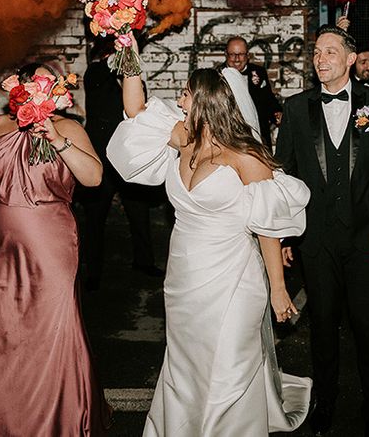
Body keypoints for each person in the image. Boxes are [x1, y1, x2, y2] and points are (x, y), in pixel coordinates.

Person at [107, 42, 312, 436]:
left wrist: (279, 289)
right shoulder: (183, 138)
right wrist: (127, 46)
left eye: (184, 93)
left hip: (234, 275)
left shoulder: (245, 157)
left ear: (201, 101)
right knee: (188, 362)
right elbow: (136, 111)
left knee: (232, 363)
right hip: (184, 274)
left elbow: (266, 224)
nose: (177, 99)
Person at [0, 62, 112, 436]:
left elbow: (93, 178)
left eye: (46, 81)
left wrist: (56, 139)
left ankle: (60, 419)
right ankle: (2, 422)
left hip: (51, 243)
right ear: (20, 88)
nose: (37, 86)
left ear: (56, 89)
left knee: (53, 330)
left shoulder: (69, 127)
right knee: (1, 332)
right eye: (31, 80)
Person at [276, 25, 369, 437]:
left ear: (350, 59)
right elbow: (283, 175)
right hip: (315, 240)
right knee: (323, 327)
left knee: (368, 326)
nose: (320, 59)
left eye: (330, 52)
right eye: (317, 52)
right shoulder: (297, 108)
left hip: (368, 237)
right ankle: (325, 404)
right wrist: (281, 234)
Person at [78, 39, 164, 291]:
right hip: (102, 159)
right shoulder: (95, 73)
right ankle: (92, 272)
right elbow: (108, 69)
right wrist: (124, 49)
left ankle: (144, 262)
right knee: (95, 218)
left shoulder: (133, 78)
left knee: (139, 212)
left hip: (127, 157)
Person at [224, 36, 282, 146]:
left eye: (241, 54)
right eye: (232, 54)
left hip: (257, 137)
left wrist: (277, 113)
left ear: (247, 55)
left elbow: (268, 99)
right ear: (226, 54)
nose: (237, 59)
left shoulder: (258, 72)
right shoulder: (218, 75)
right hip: (230, 139)